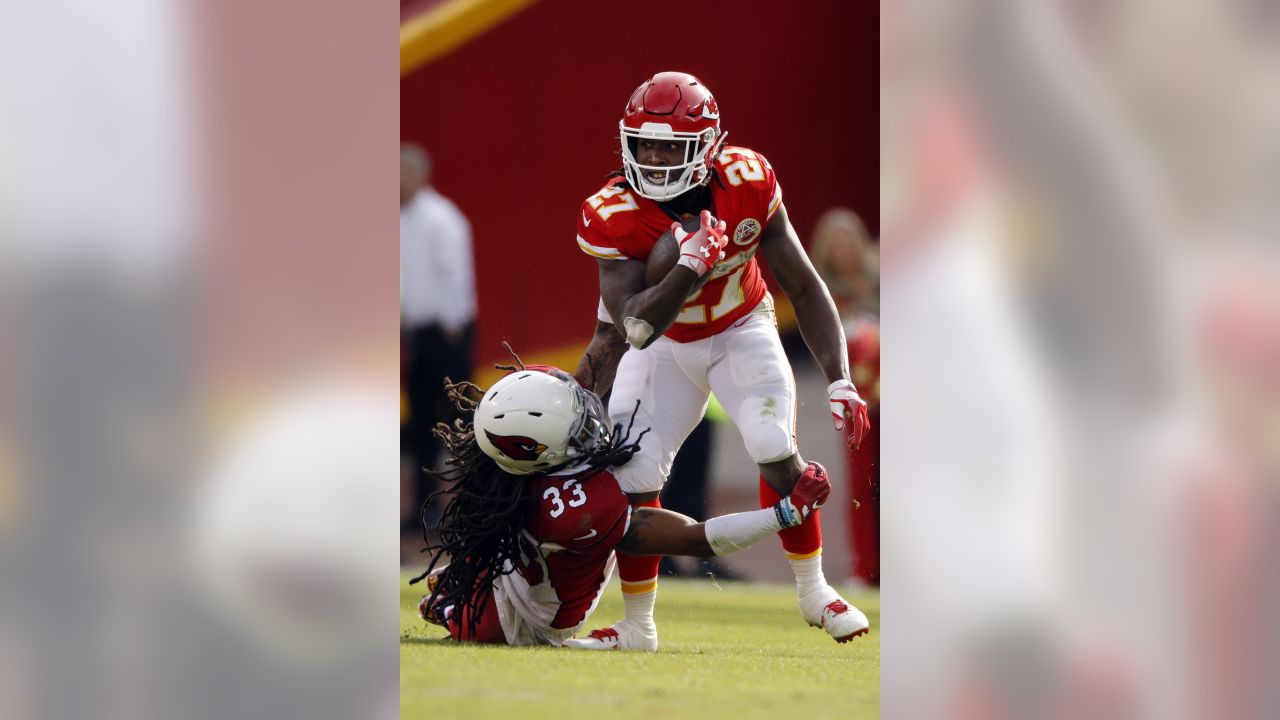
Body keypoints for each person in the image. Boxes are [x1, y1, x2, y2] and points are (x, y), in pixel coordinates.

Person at [569, 72, 872, 650]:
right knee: (631, 476)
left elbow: (805, 285)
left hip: (740, 328)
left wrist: (838, 380)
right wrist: (689, 265)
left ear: (707, 148)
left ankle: (815, 591)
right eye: (644, 144)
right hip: (657, 343)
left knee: (773, 446)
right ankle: (637, 625)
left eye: (670, 147)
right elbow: (635, 326)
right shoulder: (610, 211)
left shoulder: (749, 180)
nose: (654, 160)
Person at [411, 364, 835, 646]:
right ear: (538, 451)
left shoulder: (509, 463)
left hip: (517, 570)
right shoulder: (581, 507)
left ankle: (460, 581)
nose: (592, 425)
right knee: (438, 609)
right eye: (576, 430)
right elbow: (695, 540)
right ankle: (454, 603)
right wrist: (784, 513)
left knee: (465, 576)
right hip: (523, 618)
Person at [400, 143, 476, 536]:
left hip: (447, 334)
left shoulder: (440, 218)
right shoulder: (400, 219)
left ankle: (469, 508)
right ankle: (422, 510)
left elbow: (455, 275)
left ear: (419, 175)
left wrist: (452, 330)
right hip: (415, 334)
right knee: (421, 425)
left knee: (457, 421)